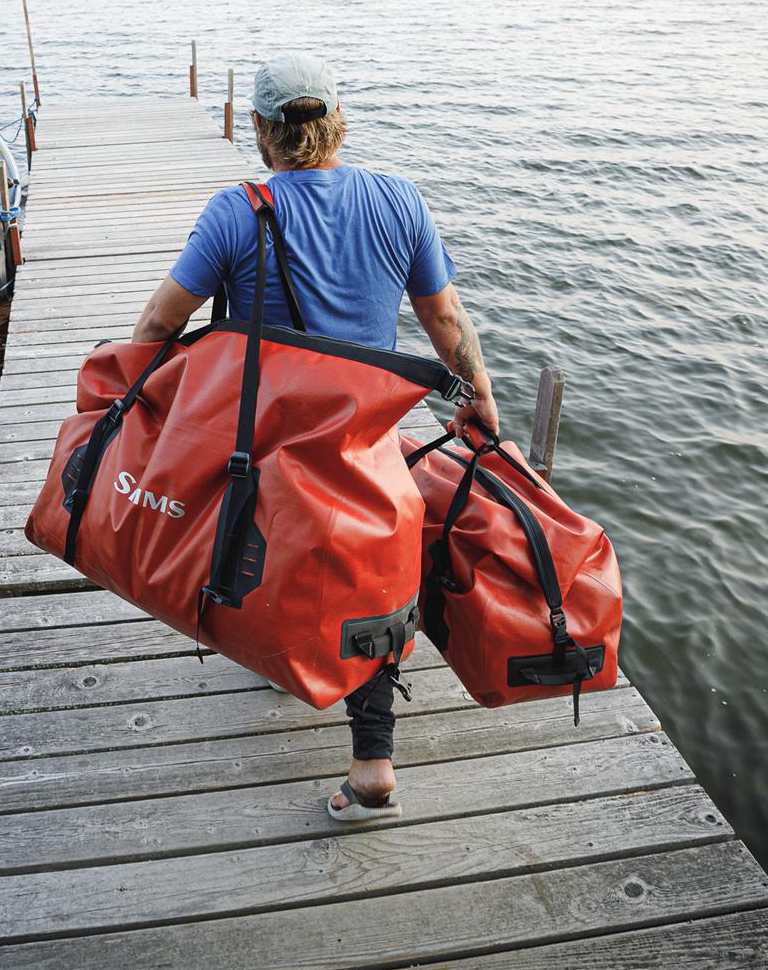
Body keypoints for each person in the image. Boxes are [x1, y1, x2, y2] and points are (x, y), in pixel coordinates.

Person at [128, 53, 499, 821]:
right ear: (340, 122)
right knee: (369, 570)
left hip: (266, 447)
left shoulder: (238, 211)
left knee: (257, 537)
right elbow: (445, 323)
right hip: (370, 444)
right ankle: (373, 764)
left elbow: (161, 324)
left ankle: (277, 652)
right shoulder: (400, 201)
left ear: (260, 131)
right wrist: (480, 400)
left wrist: (135, 402)